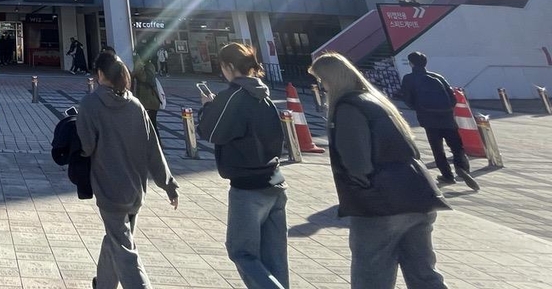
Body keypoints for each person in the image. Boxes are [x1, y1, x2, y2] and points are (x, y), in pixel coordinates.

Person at [310, 52, 450, 289]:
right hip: (418, 195)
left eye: (321, 81)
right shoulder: (376, 100)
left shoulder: (348, 107)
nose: (321, 87)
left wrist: (359, 188)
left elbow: (357, 162)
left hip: (381, 203)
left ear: (331, 80)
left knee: (372, 277)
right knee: (424, 275)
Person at [76, 49, 179, 289]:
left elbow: (87, 147)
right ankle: (103, 284)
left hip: (110, 188)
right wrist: (169, 184)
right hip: (135, 188)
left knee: (124, 248)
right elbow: (153, 148)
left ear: (100, 74)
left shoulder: (91, 104)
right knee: (116, 239)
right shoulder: (136, 105)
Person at [197, 42, 289, 289]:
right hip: (275, 180)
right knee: (275, 258)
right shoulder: (264, 95)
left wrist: (207, 106)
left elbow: (210, 131)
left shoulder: (234, 95)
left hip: (248, 187)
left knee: (242, 252)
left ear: (228, 67)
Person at [400, 51, 479, 191]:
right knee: (456, 146)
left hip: (428, 119)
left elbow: (408, 99)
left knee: (437, 148)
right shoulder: (438, 77)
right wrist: (447, 109)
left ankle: (447, 175)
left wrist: (420, 108)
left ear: (411, 63)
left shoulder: (409, 79)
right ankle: (462, 169)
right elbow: (452, 97)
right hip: (447, 117)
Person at [133, 55, 165, 138]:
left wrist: (137, 61)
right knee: (147, 126)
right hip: (145, 102)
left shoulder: (149, 66)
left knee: (152, 126)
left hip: (150, 102)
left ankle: (157, 146)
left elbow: (143, 77)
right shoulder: (144, 66)